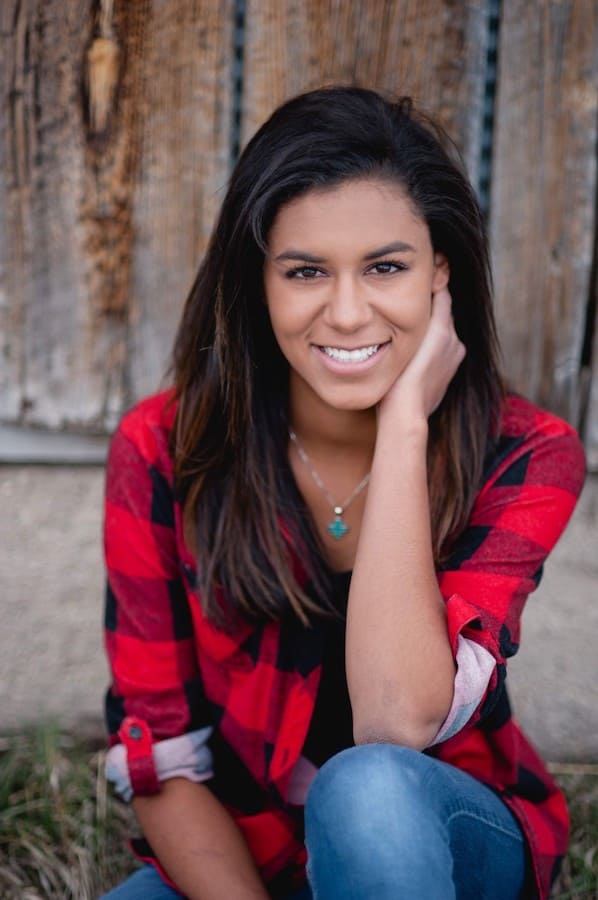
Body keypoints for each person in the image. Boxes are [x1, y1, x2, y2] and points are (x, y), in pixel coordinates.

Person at [100, 86, 586, 900]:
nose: (349, 312)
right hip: (253, 852)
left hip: (436, 837)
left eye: (386, 267)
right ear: (259, 281)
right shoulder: (163, 448)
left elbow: (397, 723)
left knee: (366, 787)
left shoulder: (527, 453)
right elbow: (165, 757)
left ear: (441, 272)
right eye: (306, 271)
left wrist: (404, 429)